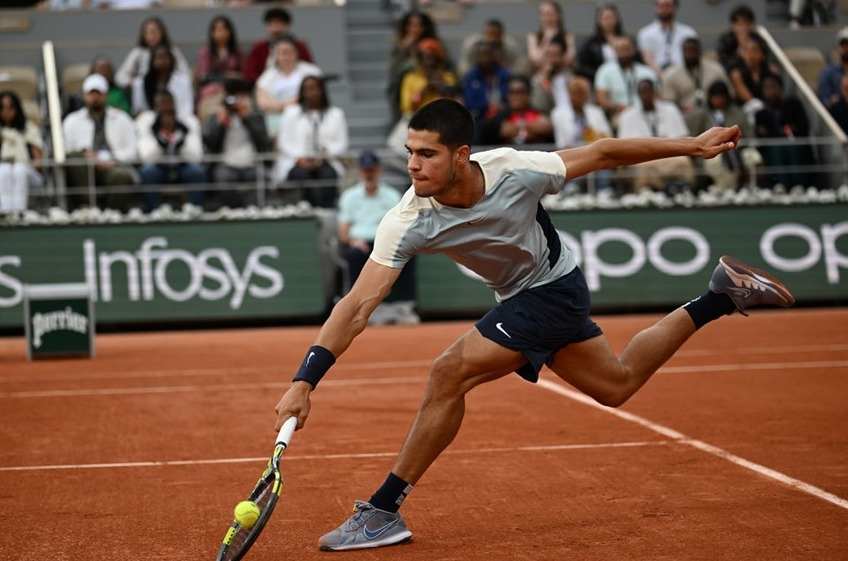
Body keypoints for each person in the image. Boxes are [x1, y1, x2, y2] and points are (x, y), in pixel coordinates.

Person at [271, 98, 794, 551]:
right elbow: (357, 305)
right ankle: (718, 296)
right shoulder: (407, 219)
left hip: (552, 288)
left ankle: (383, 510)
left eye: (426, 153)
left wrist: (692, 146)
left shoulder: (516, 169)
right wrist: (304, 380)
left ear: (460, 155)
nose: (413, 165)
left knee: (448, 372)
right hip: (524, 294)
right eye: (409, 152)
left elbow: (604, 151)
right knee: (617, 384)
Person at [337, 150, 418, 325]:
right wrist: (353, 241)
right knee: (354, 255)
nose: (369, 174)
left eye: (372, 170)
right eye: (366, 171)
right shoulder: (349, 197)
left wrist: (390, 242)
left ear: (378, 171)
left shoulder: (391, 195)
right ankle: (361, 308)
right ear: (360, 172)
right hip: (359, 243)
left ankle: (402, 306)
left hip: (386, 243)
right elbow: (343, 232)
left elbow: (401, 224)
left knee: (408, 254)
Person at [63, 74, 138, 210]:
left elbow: (132, 151)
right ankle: (88, 209)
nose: (95, 98)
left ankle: (112, 215)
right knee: (75, 158)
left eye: (99, 94)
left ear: (106, 95)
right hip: (84, 168)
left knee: (121, 176)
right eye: (91, 94)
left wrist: (110, 159)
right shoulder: (71, 121)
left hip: (113, 166)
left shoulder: (122, 119)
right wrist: (88, 156)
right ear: (84, 95)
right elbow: (66, 151)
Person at [273, 76, 347, 209]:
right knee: (301, 175)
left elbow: (341, 144)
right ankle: (306, 211)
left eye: (315, 89)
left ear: (322, 91)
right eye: (307, 89)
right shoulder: (291, 113)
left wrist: (323, 156)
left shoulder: (336, 114)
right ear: (301, 92)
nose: (311, 93)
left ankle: (326, 211)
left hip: (325, 161)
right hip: (297, 161)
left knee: (328, 175)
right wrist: (300, 158)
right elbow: (284, 142)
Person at [203, 80, 272, 209]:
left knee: (261, 177)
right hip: (225, 164)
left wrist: (247, 118)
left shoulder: (256, 117)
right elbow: (210, 144)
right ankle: (232, 212)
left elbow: (264, 143)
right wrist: (221, 125)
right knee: (222, 179)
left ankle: (254, 211)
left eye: (241, 97)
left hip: (252, 163)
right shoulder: (216, 117)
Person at [618, 79, 694, 191]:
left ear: (654, 92)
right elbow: (624, 148)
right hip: (643, 158)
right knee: (644, 167)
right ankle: (646, 195)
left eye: (648, 91)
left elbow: (683, 139)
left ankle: (685, 191)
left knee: (683, 161)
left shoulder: (671, 110)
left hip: (669, 155)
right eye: (643, 92)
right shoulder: (627, 115)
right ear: (638, 94)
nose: (646, 95)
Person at [137, 90, 205, 211]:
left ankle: (194, 210)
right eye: (163, 110)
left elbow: (196, 156)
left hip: (182, 165)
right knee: (147, 172)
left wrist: (180, 140)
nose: (167, 114)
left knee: (197, 172)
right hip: (158, 166)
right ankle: (154, 211)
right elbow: (146, 157)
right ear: (156, 108)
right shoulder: (146, 123)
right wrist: (161, 141)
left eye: (170, 110)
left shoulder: (188, 123)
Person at [686, 80, 758, 191]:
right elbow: (695, 135)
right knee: (714, 162)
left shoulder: (738, 112)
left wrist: (740, 144)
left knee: (752, 157)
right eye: (715, 97)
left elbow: (749, 134)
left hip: (737, 148)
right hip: (713, 150)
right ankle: (723, 189)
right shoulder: (702, 114)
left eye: (721, 97)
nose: (718, 100)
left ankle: (751, 187)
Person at [551, 77, 613, 193]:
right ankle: (573, 191)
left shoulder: (596, 112)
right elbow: (562, 143)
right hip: (572, 156)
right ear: (569, 95)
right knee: (573, 167)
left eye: (582, 93)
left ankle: (604, 192)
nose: (578, 97)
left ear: (587, 95)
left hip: (595, 154)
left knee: (604, 163)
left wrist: (592, 134)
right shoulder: (558, 114)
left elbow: (607, 137)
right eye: (575, 93)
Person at [754, 74, 815, 188]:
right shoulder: (761, 114)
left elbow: (803, 128)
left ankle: (799, 185)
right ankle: (780, 185)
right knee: (776, 148)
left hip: (795, 144)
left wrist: (789, 131)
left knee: (792, 148)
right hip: (773, 149)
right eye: (766, 88)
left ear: (780, 88)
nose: (769, 91)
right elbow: (761, 136)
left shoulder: (793, 104)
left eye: (772, 87)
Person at [256, 37, 322, 139]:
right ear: (275, 55)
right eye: (282, 52)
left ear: (296, 53)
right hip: (278, 124)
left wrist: (282, 105)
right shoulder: (267, 77)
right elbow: (263, 103)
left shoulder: (311, 71)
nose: (286, 56)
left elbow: (318, 96)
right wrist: (291, 104)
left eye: (289, 52)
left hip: (308, 119)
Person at [115, 17, 190, 89]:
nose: (150, 36)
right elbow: (120, 77)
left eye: (153, 32)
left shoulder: (172, 50)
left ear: (162, 32)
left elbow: (185, 73)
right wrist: (134, 83)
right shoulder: (138, 52)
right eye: (146, 33)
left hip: (170, 90)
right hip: (144, 89)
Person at [244, 7, 313, 85]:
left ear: (287, 26)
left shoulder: (300, 46)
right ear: (267, 26)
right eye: (272, 23)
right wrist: (264, 84)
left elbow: (309, 69)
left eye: (279, 23)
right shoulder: (259, 48)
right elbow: (250, 73)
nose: (276, 28)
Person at [661, 37, 731, 114]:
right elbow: (668, 103)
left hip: (714, 112)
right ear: (682, 52)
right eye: (687, 51)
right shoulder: (671, 74)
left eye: (693, 50)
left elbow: (729, 94)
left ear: (699, 51)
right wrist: (681, 109)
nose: (690, 54)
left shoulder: (716, 69)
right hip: (685, 115)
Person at [477, 76, 553, 146]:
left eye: (520, 92)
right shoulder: (500, 116)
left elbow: (545, 127)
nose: (516, 96)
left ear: (528, 94)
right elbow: (494, 129)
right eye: (512, 92)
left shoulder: (538, 114)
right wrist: (530, 129)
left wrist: (518, 128)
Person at [594, 36, 657, 120]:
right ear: (614, 51)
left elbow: (657, 97)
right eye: (620, 50)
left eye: (627, 49)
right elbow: (601, 99)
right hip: (619, 113)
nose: (624, 53)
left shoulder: (647, 72)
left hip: (646, 112)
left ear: (633, 50)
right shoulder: (605, 70)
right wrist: (620, 108)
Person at [0, 90, 43, 211]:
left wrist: (21, 162)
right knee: (4, 170)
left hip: (28, 172)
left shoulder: (29, 128)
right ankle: (6, 213)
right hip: (3, 170)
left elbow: (39, 163)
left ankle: (19, 213)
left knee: (19, 170)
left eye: (10, 107)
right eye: (2, 108)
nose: (6, 112)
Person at [195, 15, 244, 113]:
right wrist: (226, 75)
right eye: (217, 29)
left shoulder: (238, 52)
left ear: (230, 31)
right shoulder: (205, 52)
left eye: (223, 29)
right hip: (211, 92)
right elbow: (203, 76)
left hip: (234, 91)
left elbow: (243, 75)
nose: (221, 32)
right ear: (212, 33)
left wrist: (235, 77)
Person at [398, 39, 458, 119]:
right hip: (418, 121)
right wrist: (424, 90)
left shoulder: (448, 77)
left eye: (433, 57)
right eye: (425, 57)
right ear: (420, 59)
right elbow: (406, 107)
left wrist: (441, 88)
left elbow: (454, 105)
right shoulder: (410, 78)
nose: (429, 62)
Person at [131, 45, 194, 120]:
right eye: (159, 57)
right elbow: (138, 110)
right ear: (152, 61)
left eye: (165, 57)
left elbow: (187, 108)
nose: (162, 61)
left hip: (178, 119)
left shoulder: (184, 81)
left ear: (171, 60)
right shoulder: (140, 83)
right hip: (150, 122)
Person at [637, 0, 697, 73]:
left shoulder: (689, 32)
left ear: (675, 8)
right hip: (656, 74)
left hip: (683, 73)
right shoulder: (645, 33)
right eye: (661, 6)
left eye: (668, 5)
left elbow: (692, 56)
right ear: (656, 8)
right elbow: (648, 58)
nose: (664, 9)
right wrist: (661, 75)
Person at [576, 3, 630, 82]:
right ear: (599, 20)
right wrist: (600, 74)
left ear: (617, 19)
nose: (608, 21)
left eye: (611, 17)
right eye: (605, 18)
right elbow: (582, 67)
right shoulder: (590, 43)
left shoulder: (626, 40)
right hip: (600, 81)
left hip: (625, 79)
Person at [461, 41, 510, 123]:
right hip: (479, 118)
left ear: (493, 55)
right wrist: (488, 106)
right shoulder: (470, 76)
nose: (484, 57)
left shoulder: (504, 75)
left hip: (502, 117)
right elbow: (469, 101)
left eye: (487, 53)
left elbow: (508, 97)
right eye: (481, 54)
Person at [728, 36, 779, 108]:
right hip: (745, 108)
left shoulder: (769, 71)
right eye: (746, 51)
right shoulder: (737, 73)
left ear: (762, 54)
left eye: (754, 51)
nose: (750, 55)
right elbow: (748, 98)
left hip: (767, 108)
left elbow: (774, 96)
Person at [526, 1, 576, 72]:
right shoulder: (533, 36)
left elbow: (570, 58)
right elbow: (535, 59)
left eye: (549, 13)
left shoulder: (567, 35)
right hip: (540, 73)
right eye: (542, 14)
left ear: (558, 15)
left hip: (563, 72)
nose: (546, 18)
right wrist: (547, 39)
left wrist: (555, 60)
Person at [530, 36, 572, 114]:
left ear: (563, 56)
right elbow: (539, 106)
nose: (551, 60)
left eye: (555, 55)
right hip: (547, 116)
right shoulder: (537, 79)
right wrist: (545, 77)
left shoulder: (571, 77)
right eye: (548, 55)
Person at [716, 5, 760, 72]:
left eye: (746, 24)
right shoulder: (726, 40)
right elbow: (723, 61)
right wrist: (740, 54)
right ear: (733, 25)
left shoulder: (757, 38)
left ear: (751, 25)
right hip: (734, 71)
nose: (742, 28)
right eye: (739, 24)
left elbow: (764, 59)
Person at [817, 27, 848, 109]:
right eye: (844, 45)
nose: (847, 48)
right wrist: (840, 97)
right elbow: (825, 100)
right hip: (839, 112)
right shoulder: (828, 72)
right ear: (839, 47)